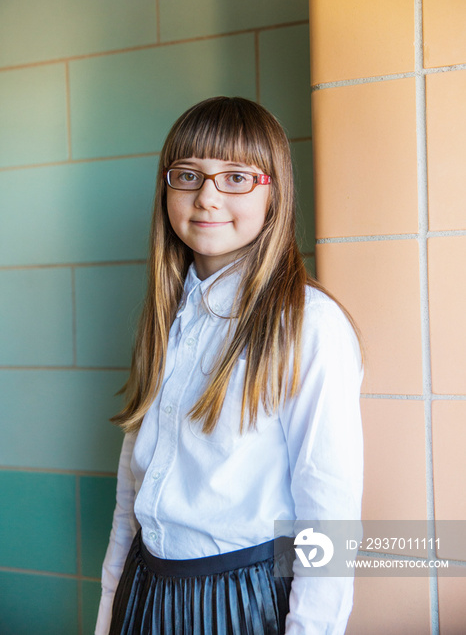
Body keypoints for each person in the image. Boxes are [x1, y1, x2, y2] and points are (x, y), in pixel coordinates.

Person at [95, 96, 363, 635]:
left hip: (242, 599)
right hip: (144, 590)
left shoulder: (309, 324)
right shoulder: (168, 317)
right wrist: (108, 613)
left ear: (274, 193)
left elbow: (328, 511)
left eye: (236, 177)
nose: (207, 196)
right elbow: (132, 498)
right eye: (188, 175)